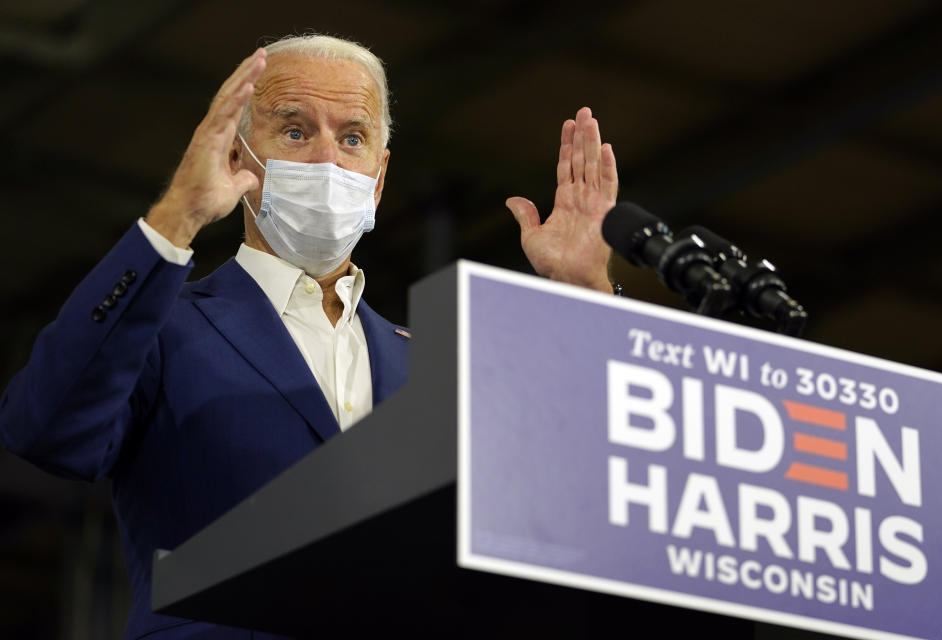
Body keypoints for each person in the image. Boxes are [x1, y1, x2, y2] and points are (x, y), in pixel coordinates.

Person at [0, 35, 618, 639]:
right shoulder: (160, 326)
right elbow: (44, 428)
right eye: (295, 131)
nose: (328, 159)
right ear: (239, 158)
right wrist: (176, 217)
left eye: (353, 137)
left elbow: (581, 492)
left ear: (378, 179)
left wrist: (587, 291)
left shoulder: (439, 364)